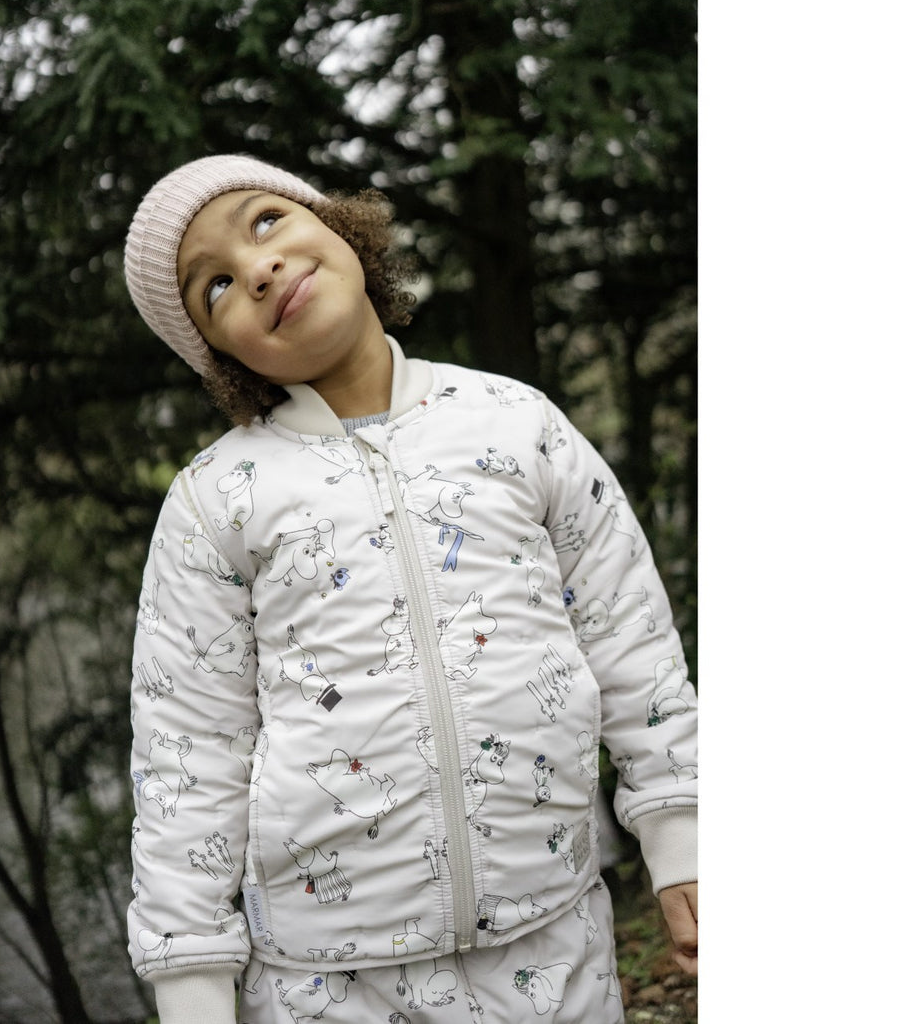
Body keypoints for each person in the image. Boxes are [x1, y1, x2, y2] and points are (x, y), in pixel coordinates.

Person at [122, 155, 697, 1024]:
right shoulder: (215, 501)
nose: (258, 268)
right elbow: (187, 749)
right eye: (216, 287)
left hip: (556, 951)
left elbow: (629, 636)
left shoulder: (517, 423)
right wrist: (192, 986)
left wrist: (681, 835)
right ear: (220, 354)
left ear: (339, 225)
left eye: (267, 220)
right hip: (329, 987)